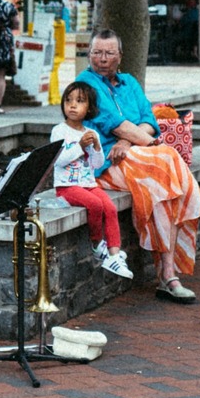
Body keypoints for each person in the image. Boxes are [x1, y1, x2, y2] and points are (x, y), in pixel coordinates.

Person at [77, 30, 200, 304]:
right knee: (167, 159)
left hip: (135, 153)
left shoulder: (130, 82)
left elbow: (149, 120)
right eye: (96, 52)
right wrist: (146, 142)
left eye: (109, 53)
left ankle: (169, 277)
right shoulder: (85, 83)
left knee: (165, 190)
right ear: (89, 54)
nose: (102, 59)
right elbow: (114, 124)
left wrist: (130, 141)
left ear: (120, 56)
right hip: (106, 160)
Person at [50, 81, 134, 280]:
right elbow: (58, 161)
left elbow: (97, 164)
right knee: (95, 205)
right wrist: (79, 146)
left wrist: (96, 146)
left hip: (88, 183)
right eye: (68, 100)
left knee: (110, 207)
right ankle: (97, 245)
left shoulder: (91, 133)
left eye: (79, 101)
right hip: (67, 187)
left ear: (89, 108)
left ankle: (114, 255)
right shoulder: (59, 131)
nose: (72, 105)